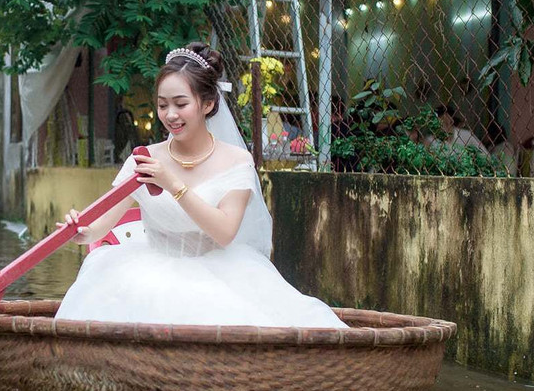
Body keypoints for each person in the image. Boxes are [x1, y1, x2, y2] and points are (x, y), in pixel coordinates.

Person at [54, 43, 346, 329]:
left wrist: (173, 185)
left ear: (207, 104)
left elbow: (224, 232)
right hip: (146, 273)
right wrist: (80, 231)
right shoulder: (144, 158)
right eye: (162, 105)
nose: (170, 115)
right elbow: (100, 227)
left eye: (181, 104)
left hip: (219, 273)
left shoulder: (236, 161)